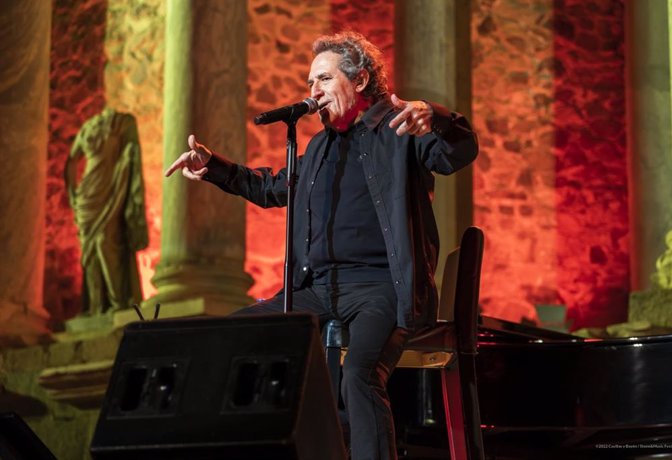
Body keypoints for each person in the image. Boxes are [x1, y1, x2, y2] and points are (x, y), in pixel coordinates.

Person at [165, 31, 478, 460]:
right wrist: (214, 166)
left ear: (361, 79)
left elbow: (458, 153)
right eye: (310, 83)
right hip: (316, 289)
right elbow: (275, 188)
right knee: (231, 337)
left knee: (360, 373)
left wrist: (438, 117)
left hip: (381, 289)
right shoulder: (317, 146)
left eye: (324, 80)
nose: (313, 92)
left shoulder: (401, 127)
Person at [65, 107, 148, 315]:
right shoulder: (86, 129)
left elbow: (132, 149)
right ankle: (96, 307)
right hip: (86, 197)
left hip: (110, 192)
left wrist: (129, 160)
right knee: (89, 253)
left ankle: (119, 302)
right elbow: (71, 161)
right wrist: (73, 195)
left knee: (106, 243)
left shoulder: (121, 122)